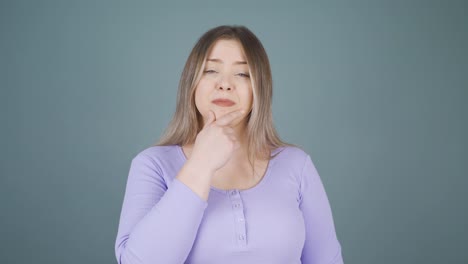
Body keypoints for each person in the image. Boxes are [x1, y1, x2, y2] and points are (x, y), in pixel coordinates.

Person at [114, 25, 344, 264]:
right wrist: (201, 164)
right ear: (191, 84)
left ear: (259, 90)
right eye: (211, 70)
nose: (225, 84)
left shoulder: (297, 165)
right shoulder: (152, 165)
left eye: (242, 74)